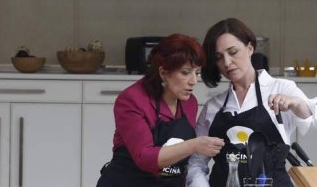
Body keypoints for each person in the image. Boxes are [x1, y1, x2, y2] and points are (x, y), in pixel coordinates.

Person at [186, 18, 316, 187]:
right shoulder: (213, 107)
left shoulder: (281, 88)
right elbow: (195, 164)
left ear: (250, 48)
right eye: (219, 57)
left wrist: (297, 104)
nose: (227, 62)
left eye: (233, 52)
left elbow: (313, 116)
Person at [97, 33, 225, 187]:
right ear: (163, 72)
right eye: (185, 72)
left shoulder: (189, 102)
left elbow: (180, 166)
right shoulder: (131, 100)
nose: (194, 81)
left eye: (196, 73)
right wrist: (194, 145)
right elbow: (145, 158)